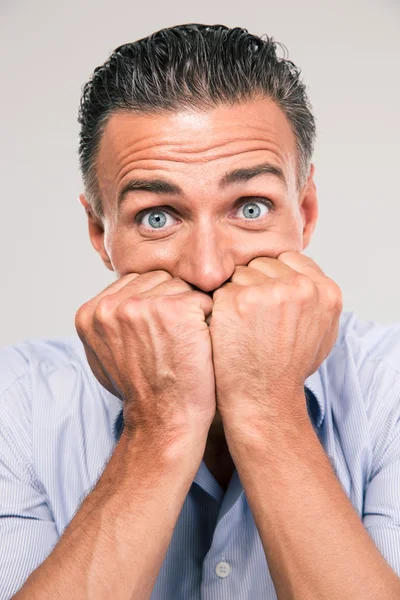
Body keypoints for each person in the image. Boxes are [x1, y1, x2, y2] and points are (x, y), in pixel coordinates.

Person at [1, 22, 400, 600]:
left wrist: (268, 409)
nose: (208, 270)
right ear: (100, 231)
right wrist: (159, 427)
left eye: (251, 206)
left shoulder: (390, 391)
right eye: (158, 216)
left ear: (305, 213)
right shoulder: (13, 406)